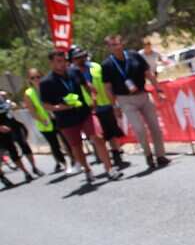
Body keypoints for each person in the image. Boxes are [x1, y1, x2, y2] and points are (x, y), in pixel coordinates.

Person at [39, 50, 120, 184]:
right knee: (76, 146)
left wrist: (93, 95)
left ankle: (110, 169)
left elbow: (86, 85)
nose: (62, 64)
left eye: (64, 61)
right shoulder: (46, 82)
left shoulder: (74, 71)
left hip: (84, 112)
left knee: (98, 138)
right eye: (58, 61)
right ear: (51, 63)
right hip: (66, 119)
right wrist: (61, 107)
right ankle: (87, 170)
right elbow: (46, 105)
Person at [101, 34, 170, 170]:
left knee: (155, 126)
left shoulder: (134, 56)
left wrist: (158, 89)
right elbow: (108, 88)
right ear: (108, 48)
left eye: (117, 44)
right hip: (125, 99)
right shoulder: (107, 65)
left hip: (143, 95)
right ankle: (148, 154)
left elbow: (148, 73)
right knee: (139, 129)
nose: (115, 47)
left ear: (122, 44)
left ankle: (160, 155)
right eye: (112, 45)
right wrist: (114, 105)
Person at [71, 46, 129, 170]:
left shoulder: (95, 67)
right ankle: (103, 157)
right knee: (98, 135)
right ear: (73, 60)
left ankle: (116, 154)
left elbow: (107, 84)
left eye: (82, 56)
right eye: (77, 58)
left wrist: (113, 102)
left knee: (111, 132)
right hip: (88, 109)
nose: (80, 59)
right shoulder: (71, 74)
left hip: (104, 104)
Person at [22, 68, 70, 173]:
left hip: (57, 117)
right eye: (32, 78)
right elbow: (32, 111)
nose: (36, 79)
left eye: (38, 77)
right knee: (54, 144)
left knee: (66, 140)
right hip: (44, 122)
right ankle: (64, 163)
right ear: (29, 80)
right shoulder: (29, 93)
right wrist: (42, 120)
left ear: (42, 76)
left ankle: (74, 160)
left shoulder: (49, 86)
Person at [0, 93, 39, 182]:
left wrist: (9, 101)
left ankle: (34, 167)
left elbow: (14, 106)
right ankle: (25, 172)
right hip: (1, 130)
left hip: (13, 125)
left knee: (24, 145)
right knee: (11, 150)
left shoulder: (2, 95)